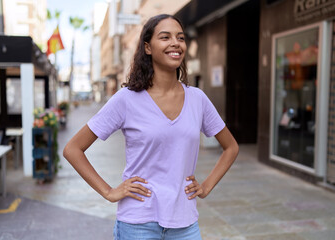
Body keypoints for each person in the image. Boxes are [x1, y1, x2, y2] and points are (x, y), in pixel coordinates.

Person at [63, 14, 239, 240]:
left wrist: (205, 187)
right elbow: (73, 149)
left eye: (180, 37)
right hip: (138, 223)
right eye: (165, 37)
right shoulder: (126, 99)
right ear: (148, 47)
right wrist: (109, 191)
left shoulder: (198, 99)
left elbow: (231, 147)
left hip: (184, 224)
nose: (175, 43)